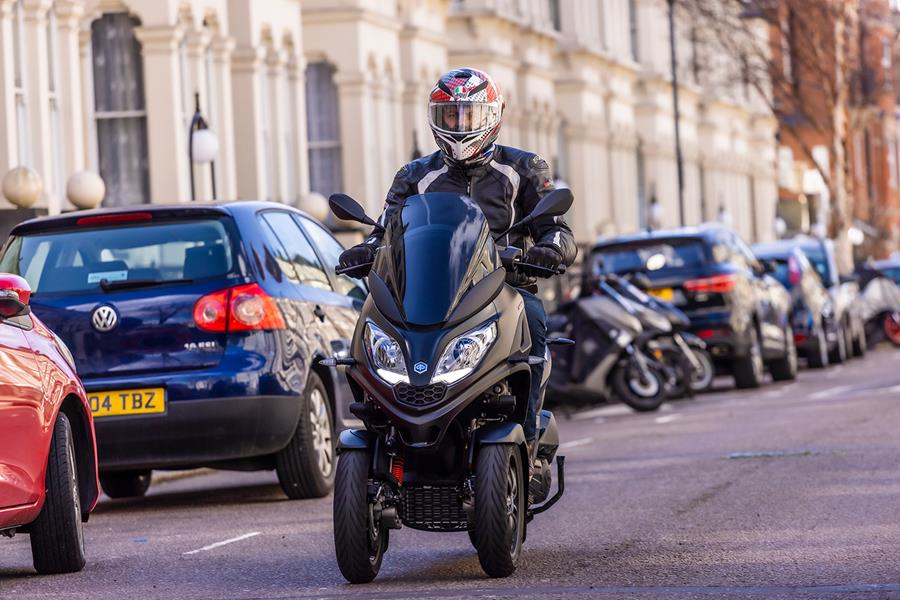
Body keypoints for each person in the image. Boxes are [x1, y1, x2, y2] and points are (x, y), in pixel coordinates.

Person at [338, 67, 577, 462]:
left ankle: (528, 433)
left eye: (470, 115)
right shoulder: (415, 175)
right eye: (451, 115)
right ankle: (380, 426)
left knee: (533, 318)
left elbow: (558, 229)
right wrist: (366, 250)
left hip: (504, 287)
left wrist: (549, 250)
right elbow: (387, 229)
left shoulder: (524, 169)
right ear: (436, 118)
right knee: (371, 322)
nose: (460, 125)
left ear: (493, 116)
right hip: (427, 296)